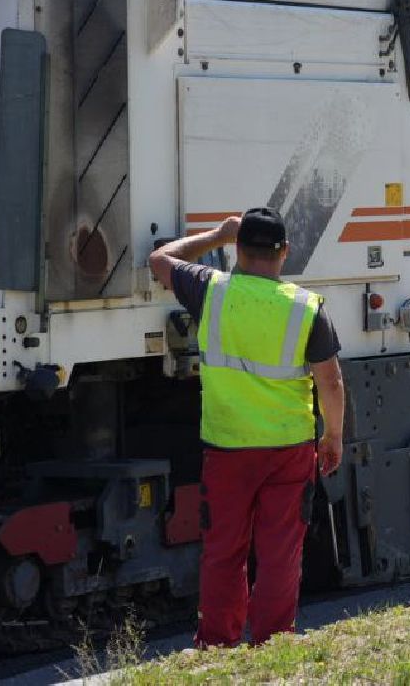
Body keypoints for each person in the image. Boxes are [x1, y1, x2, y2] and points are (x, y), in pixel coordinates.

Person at [148, 207, 346, 648]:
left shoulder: (211, 291)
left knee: (223, 551)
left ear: (238, 249)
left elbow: (161, 259)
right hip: (289, 447)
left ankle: (217, 644)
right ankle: (273, 642)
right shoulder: (306, 307)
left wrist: (217, 235)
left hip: (227, 446)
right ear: (286, 252)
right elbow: (330, 381)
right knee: (279, 553)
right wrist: (332, 436)